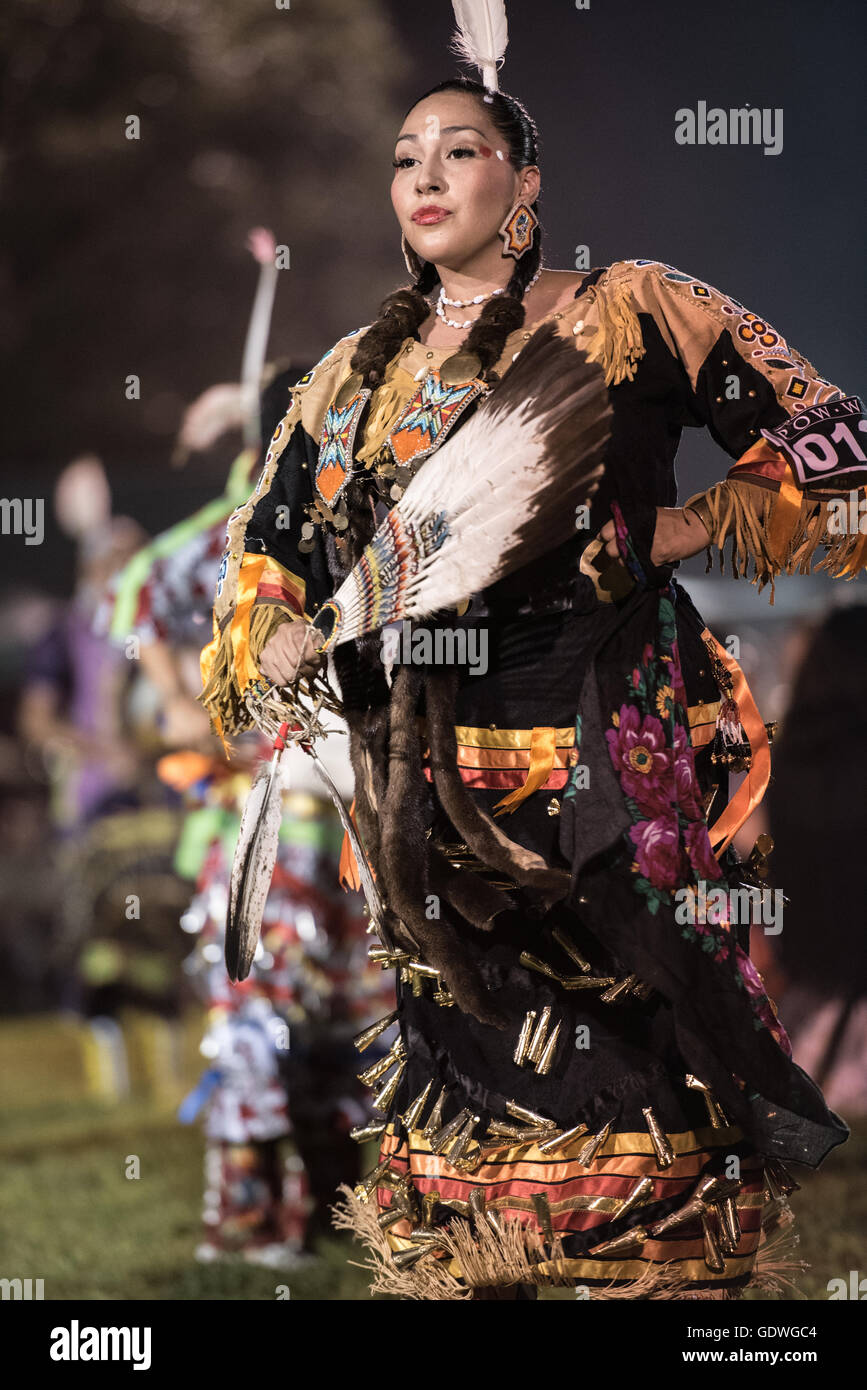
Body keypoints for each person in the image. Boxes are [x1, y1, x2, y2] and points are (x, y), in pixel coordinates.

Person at [200, 24, 867, 1299]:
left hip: (608, 764)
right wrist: (274, 618)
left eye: (462, 150)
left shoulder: (637, 310)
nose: (427, 177)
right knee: (467, 1099)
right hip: (424, 800)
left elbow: (834, 437)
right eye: (407, 160)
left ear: (528, 182)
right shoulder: (352, 380)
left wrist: (687, 522)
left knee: (643, 1050)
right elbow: (268, 546)